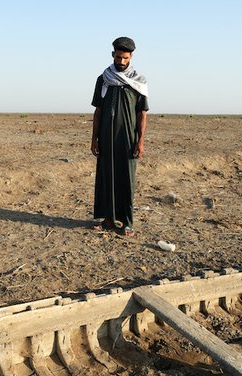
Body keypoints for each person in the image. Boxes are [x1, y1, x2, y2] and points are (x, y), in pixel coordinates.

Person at [91, 36, 149, 236]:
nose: (121, 62)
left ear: (131, 56)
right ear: (112, 55)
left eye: (125, 58)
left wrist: (140, 142)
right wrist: (94, 138)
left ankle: (126, 223)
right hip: (106, 139)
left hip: (127, 140)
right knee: (106, 177)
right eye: (118, 57)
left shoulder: (138, 81)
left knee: (126, 180)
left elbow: (142, 113)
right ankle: (108, 219)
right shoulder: (103, 79)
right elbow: (98, 110)